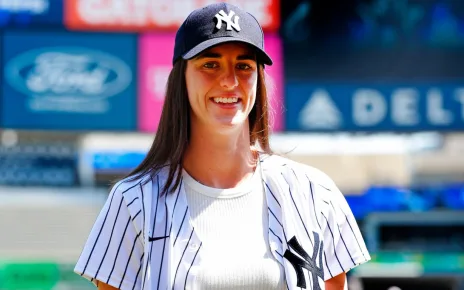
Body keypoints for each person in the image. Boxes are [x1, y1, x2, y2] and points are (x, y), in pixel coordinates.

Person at [74, 2, 370, 290]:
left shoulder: (315, 193)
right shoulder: (134, 200)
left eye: (243, 65)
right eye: (210, 64)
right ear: (182, 78)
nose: (229, 81)